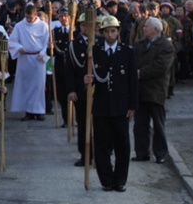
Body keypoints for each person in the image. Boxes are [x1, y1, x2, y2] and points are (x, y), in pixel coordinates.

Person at [83, 16, 138, 193]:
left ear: (118, 31)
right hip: (101, 105)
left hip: (121, 106)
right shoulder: (94, 51)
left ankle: (120, 180)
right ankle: (106, 180)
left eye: (113, 31)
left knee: (122, 145)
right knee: (101, 145)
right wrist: (87, 80)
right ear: (101, 32)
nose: (109, 34)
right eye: (106, 31)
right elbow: (88, 75)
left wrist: (132, 106)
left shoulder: (127, 52)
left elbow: (133, 82)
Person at [132, 17, 175, 164]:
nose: (143, 29)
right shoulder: (139, 45)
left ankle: (160, 153)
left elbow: (160, 66)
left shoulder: (166, 46)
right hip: (140, 90)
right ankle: (141, 152)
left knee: (158, 124)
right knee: (140, 124)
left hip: (156, 89)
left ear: (156, 29)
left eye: (146, 27)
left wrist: (140, 73)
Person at [8, 4, 49, 121]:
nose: (28, 19)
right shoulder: (20, 26)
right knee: (26, 85)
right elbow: (12, 41)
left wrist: (43, 51)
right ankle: (28, 111)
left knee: (38, 85)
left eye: (30, 17)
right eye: (27, 17)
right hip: (24, 58)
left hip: (38, 58)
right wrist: (19, 47)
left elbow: (47, 42)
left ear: (36, 15)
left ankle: (39, 110)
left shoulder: (43, 26)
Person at [65, 12, 96, 166]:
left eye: (89, 25)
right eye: (84, 25)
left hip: (98, 91)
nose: (86, 28)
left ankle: (100, 152)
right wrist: (71, 90)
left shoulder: (100, 42)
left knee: (99, 123)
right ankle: (85, 154)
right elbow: (69, 70)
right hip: (80, 91)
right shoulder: (73, 45)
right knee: (83, 123)